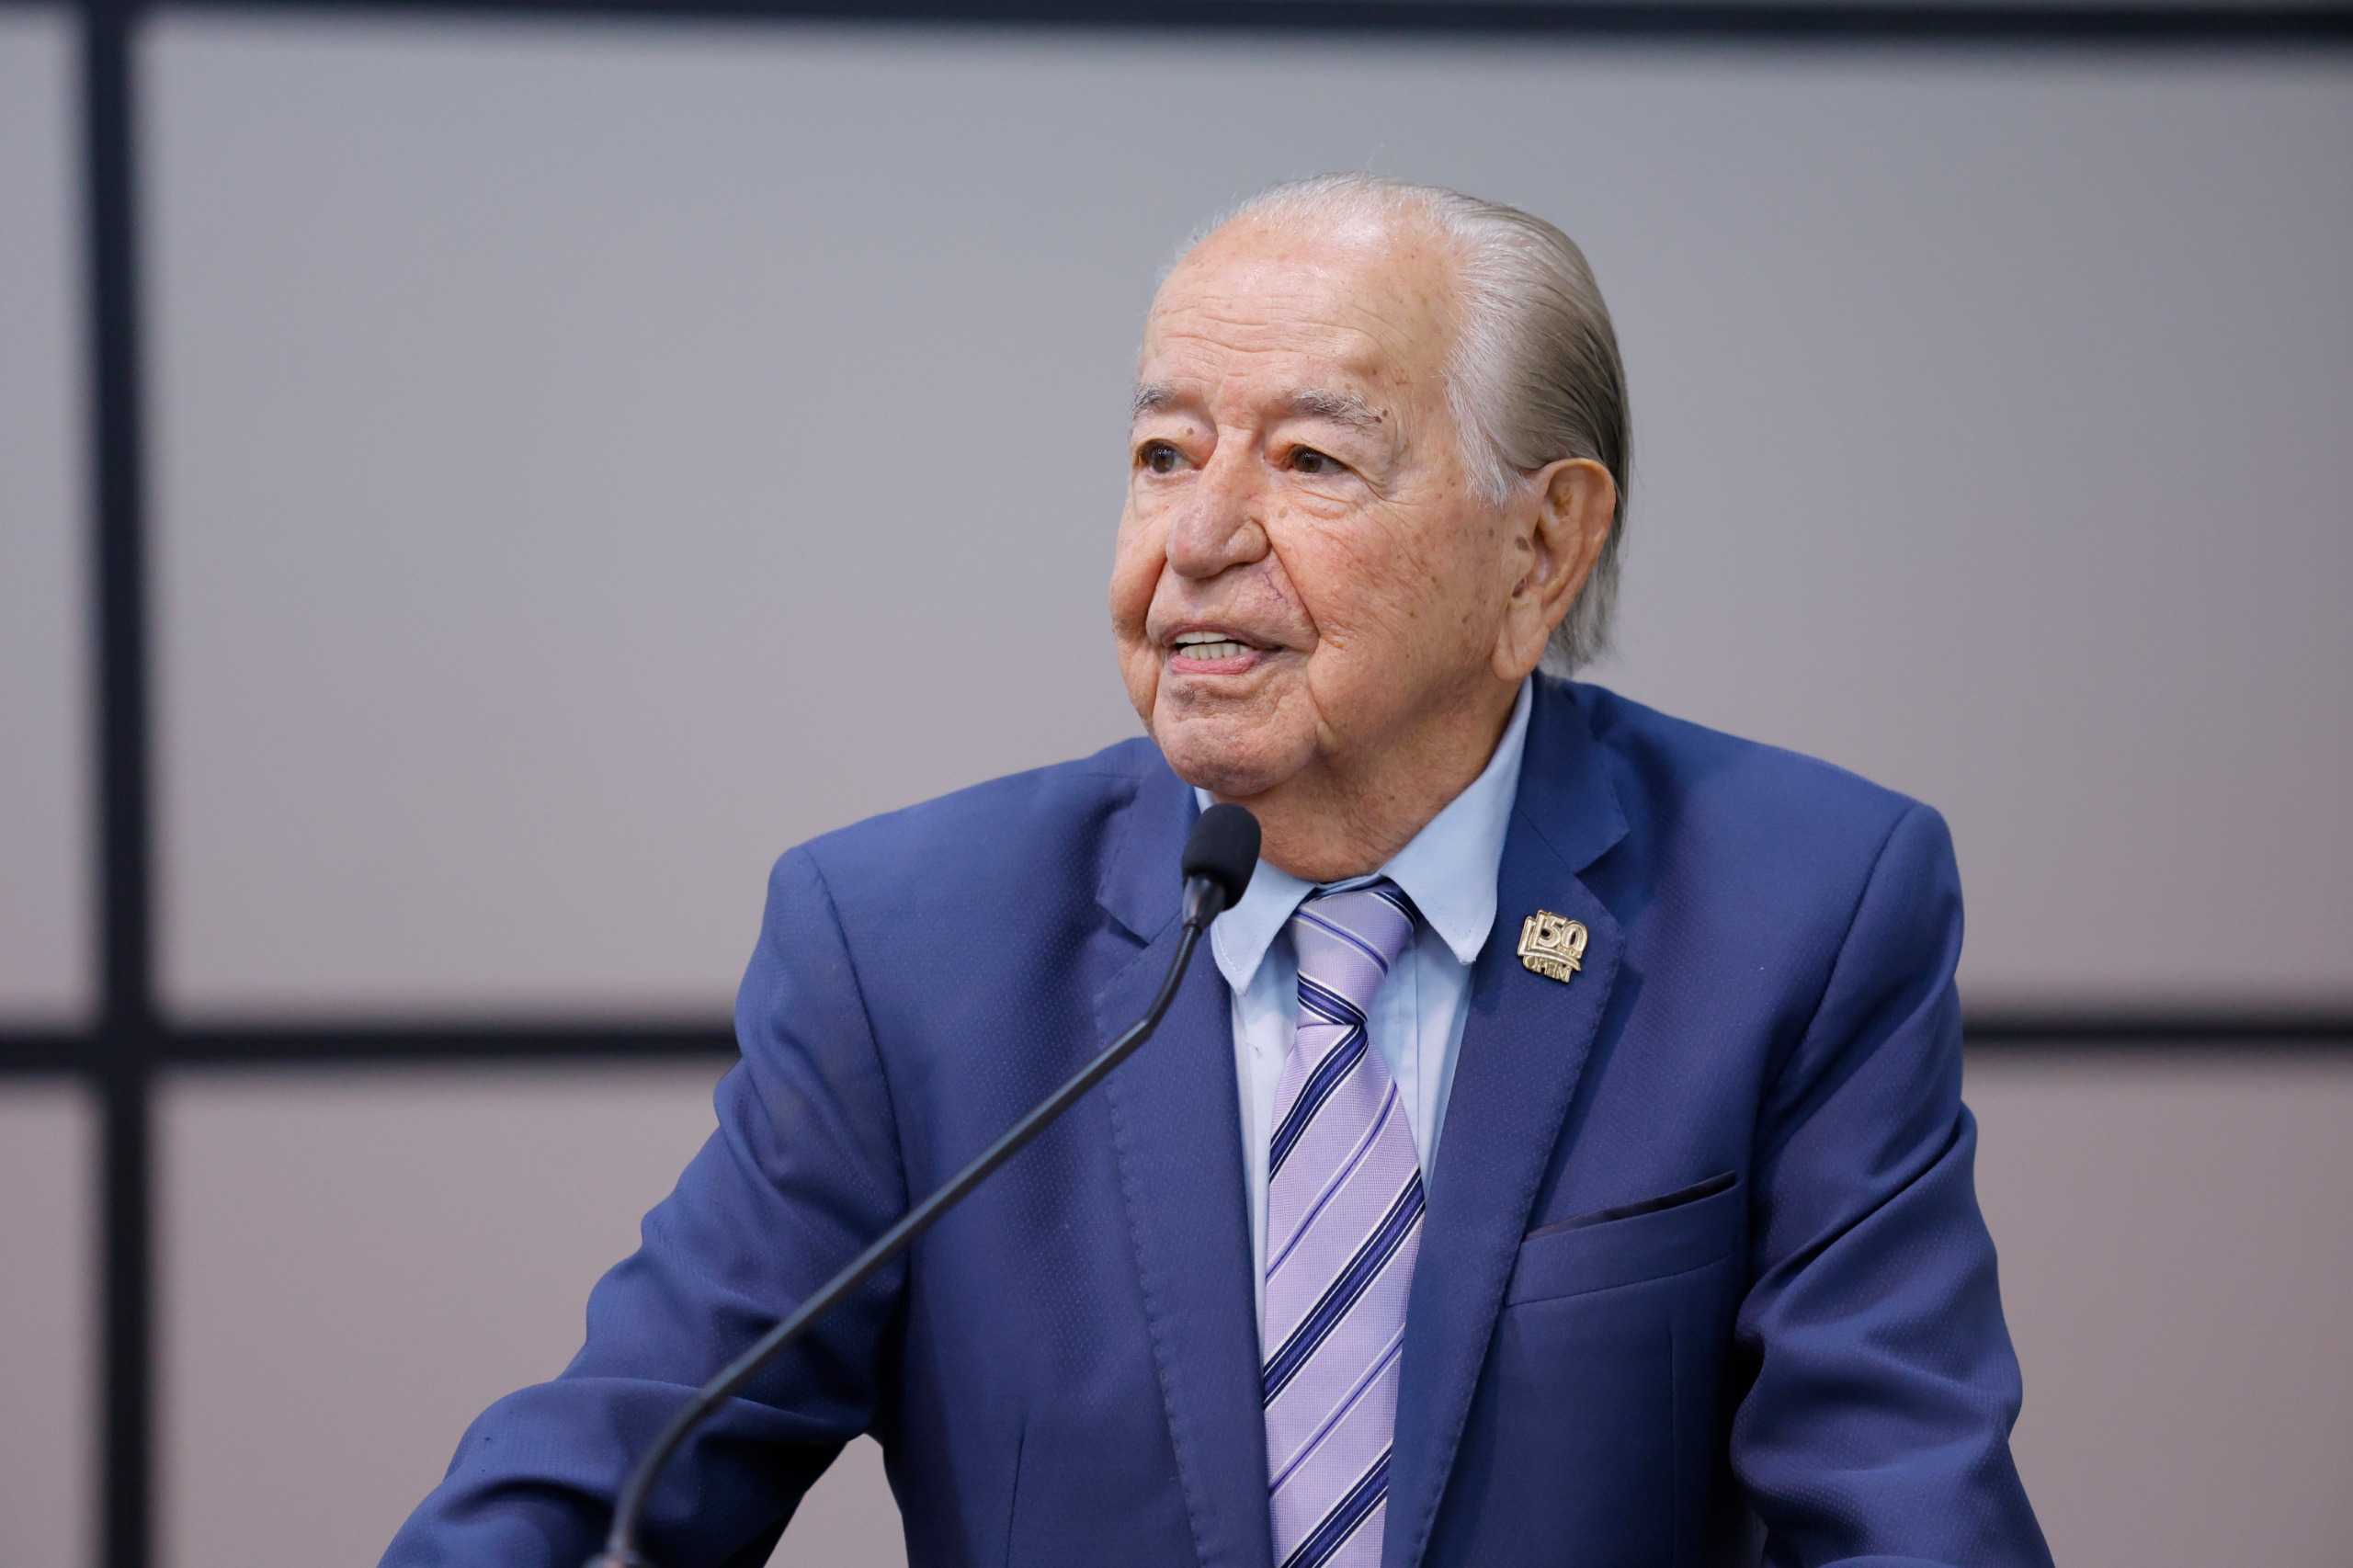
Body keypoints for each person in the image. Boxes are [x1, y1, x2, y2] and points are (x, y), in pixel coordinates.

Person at [383, 175, 2049, 1567]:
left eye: (1311, 461)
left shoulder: (1800, 909)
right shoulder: (907, 949)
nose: (1196, 539)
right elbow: (618, 1460)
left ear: (1541, 547)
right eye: (1166, 454)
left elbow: (1908, 1508)